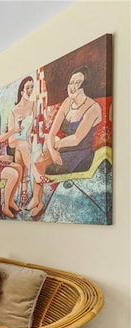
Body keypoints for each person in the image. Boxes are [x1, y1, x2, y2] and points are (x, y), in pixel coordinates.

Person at [28, 65, 103, 218]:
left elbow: (76, 139)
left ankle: (38, 200)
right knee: (38, 163)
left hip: (80, 154)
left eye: (77, 83)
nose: (72, 87)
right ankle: (37, 199)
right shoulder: (67, 103)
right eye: (71, 82)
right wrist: (53, 148)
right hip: (62, 148)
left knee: (41, 165)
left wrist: (56, 145)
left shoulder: (93, 108)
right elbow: (51, 133)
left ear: (85, 85)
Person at [5, 76, 37, 207]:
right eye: (27, 87)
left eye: (32, 87)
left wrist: (28, 138)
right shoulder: (13, 111)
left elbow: (34, 126)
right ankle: (35, 176)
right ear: (22, 91)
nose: (30, 90)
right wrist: (21, 137)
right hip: (14, 143)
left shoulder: (34, 105)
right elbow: (11, 139)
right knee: (22, 146)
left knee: (22, 153)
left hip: (27, 144)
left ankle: (20, 194)